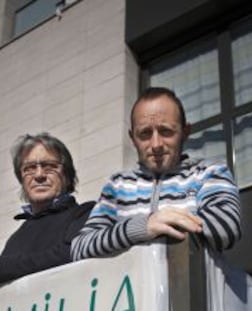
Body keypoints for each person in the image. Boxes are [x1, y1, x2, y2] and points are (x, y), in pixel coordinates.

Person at [71, 87, 241, 261]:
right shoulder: (118, 185)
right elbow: (80, 247)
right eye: (145, 133)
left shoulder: (209, 172)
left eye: (166, 131)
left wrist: (155, 227)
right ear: (132, 139)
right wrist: (143, 227)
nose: (156, 144)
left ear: (185, 132)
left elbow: (226, 227)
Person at [0, 132, 93, 294]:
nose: (39, 175)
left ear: (67, 177)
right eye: (30, 168)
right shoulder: (15, 239)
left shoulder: (85, 213)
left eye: (50, 166)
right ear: (22, 181)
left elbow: (72, 252)